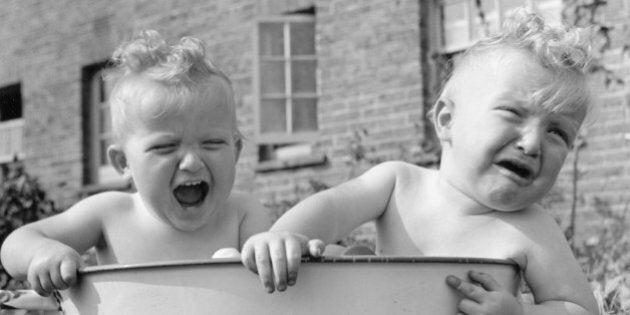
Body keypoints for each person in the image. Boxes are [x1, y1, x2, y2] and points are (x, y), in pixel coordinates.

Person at [241, 8, 598, 315]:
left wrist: (522, 312)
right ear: (446, 120)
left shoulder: (533, 229)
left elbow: (579, 308)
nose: (533, 143)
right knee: (342, 258)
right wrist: (283, 238)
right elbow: (330, 210)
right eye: (512, 113)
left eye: (558, 133)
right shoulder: (398, 184)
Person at [0, 30, 271, 297]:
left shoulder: (242, 213)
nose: (191, 162)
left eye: (212, 143)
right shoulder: (110, 213)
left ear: (235, 151)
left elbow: (273, 277)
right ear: (123, 162)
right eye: (165, 147)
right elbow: (16, 243)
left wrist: (274, 246)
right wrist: (43, 252)